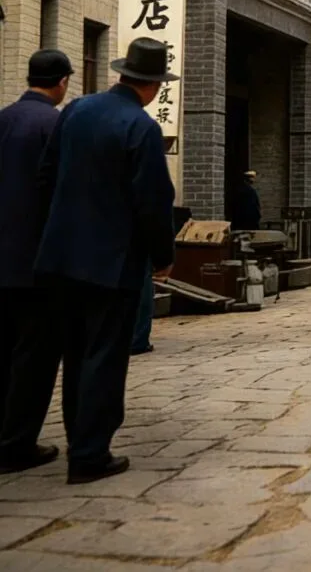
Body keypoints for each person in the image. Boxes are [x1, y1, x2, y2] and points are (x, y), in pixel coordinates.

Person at [30, 38, 175, 484]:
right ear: (152, 85)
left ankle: (79, 439)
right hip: (112, 263)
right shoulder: (141, 127)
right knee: (104, 357)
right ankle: (90, 454)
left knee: (75, 354)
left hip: (60, 257)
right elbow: (153, 201)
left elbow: (45, 175)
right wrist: (162, 256)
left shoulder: (77, 110)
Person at [0, 49, 72, 474]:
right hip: (37, 261)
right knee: (35, 357)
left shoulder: (4, 119)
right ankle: (17, 443)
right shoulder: (55, 125)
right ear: (62, 82)